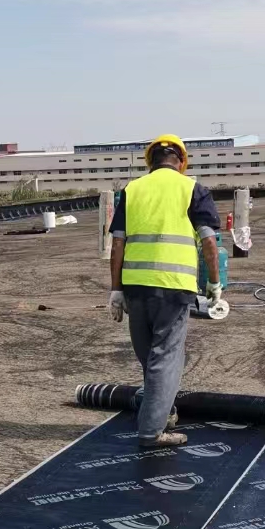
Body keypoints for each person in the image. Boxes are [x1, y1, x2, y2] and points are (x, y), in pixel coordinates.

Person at [108, 134, 222, 449]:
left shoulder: (132, 190)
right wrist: (214, 283)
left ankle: (164, 411)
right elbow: (209, 243)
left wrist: (115, 289)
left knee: (149, 357)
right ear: (182, 162)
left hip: (135, 288)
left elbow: (118, 243)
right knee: (165, 358)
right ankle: (151, 431)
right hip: (174, 289)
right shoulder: (192, 189)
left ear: (150, 162)